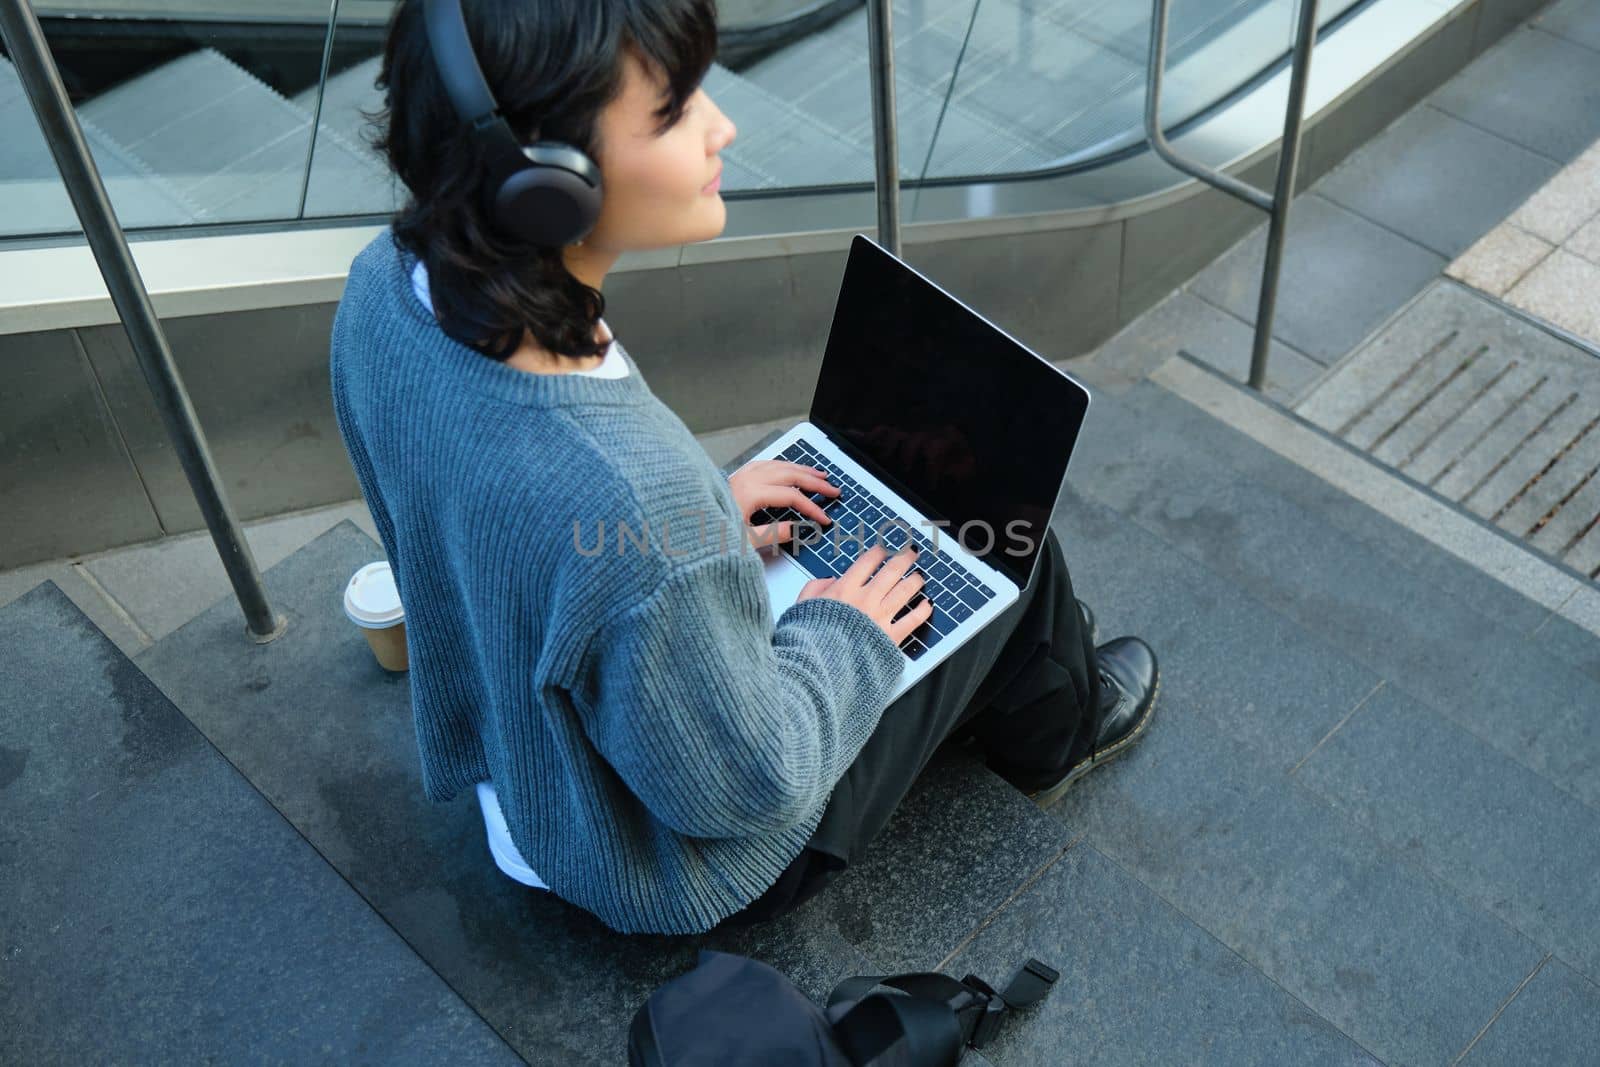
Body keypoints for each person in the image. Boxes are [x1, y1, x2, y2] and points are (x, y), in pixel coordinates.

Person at [329, 0, 1158, 937]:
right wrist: (843, 635)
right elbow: (748, 784)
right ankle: (1064, 731)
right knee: (992, 546)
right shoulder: (626, 487)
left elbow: (500, 529)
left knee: (870, 519)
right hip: (652, 860)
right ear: (546, 186)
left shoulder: (380, 294)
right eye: (676, 109)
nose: (723, 125)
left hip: (517, 774)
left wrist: (693, 534)